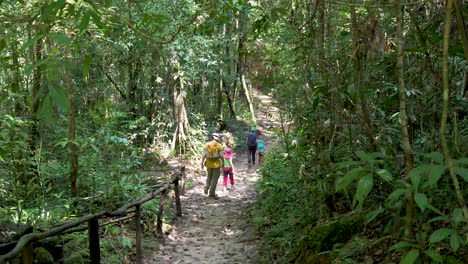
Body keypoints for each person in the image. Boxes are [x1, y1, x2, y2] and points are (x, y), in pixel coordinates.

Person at [201, 133, 224, 199]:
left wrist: (202, 164)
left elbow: (204, 155)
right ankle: (212, 193)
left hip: (208, 164)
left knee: (209, 177)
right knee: (215, 179)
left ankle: (206, 187)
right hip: (216, 165)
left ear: (212, 137)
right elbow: (222, 156)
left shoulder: (207, 145)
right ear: (217, 138)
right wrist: (223, 164)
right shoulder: (219, 145)